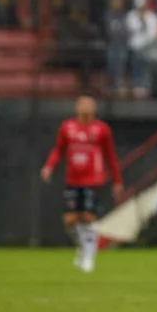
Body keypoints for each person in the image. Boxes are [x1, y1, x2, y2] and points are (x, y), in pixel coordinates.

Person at [40, 96, 122, 272]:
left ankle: (89, 256)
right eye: (82, 105)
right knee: (69, 220)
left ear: (94, 108)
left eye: (89, 105)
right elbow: (58, 150)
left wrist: (117, 181)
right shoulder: (67, 127)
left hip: (93, 179)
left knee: (88, 217)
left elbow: (110, 156)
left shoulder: (102, 130)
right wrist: (49, 166)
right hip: (73, 179)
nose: (85, 108)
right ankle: (84, 246)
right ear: (77, 108)